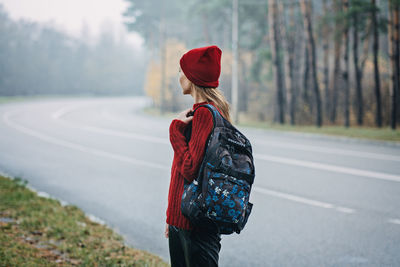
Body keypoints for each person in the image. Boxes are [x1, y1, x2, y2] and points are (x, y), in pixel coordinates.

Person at [165, 45, 233, 267]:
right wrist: (171, 217)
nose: (179, 76)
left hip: (192, 225)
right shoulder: (206, 111)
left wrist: (175, 131)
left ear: (192, 77)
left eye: (181, 70)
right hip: (184, 221)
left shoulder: (204, 114)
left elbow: (189, 168)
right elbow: (182, 174)